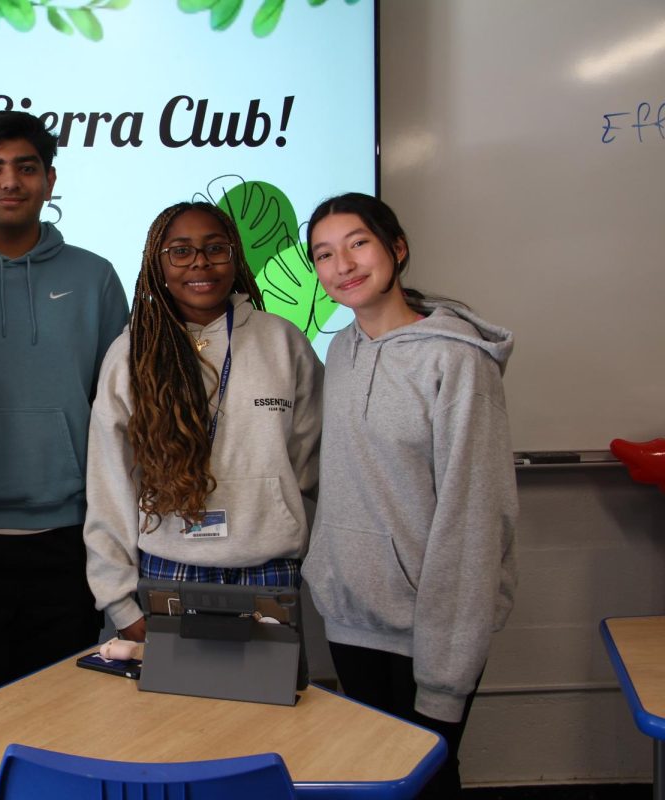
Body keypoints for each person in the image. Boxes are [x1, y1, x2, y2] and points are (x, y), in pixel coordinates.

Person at [300, 192, 517, 798]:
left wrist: (446, 672)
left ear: (396, 248)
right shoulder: (342, 349)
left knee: (426, 782)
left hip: (427, 629)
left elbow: (474, 520)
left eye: (358, 244)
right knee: (371, 776)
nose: (341, 264)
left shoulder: (456, 363)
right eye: (324, 253)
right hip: (351, 619)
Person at [0, 110, 129, 705]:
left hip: (67, 536)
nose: (9, 182)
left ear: (49, 178)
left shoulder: (94, 276)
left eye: (25, 167)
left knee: (60, 716)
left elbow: (119, 408)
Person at [84, 201, 322, 642]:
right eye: (180, 250)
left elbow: (317, 467)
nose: (200, 262)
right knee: (174, 710)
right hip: (169, 570)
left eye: (215, 248)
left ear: (235, 256)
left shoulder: (282, 341)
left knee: (268, 708)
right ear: (157, 262)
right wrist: (117, 599)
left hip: (268, 570)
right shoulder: (132, 352)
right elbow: (110, 483)